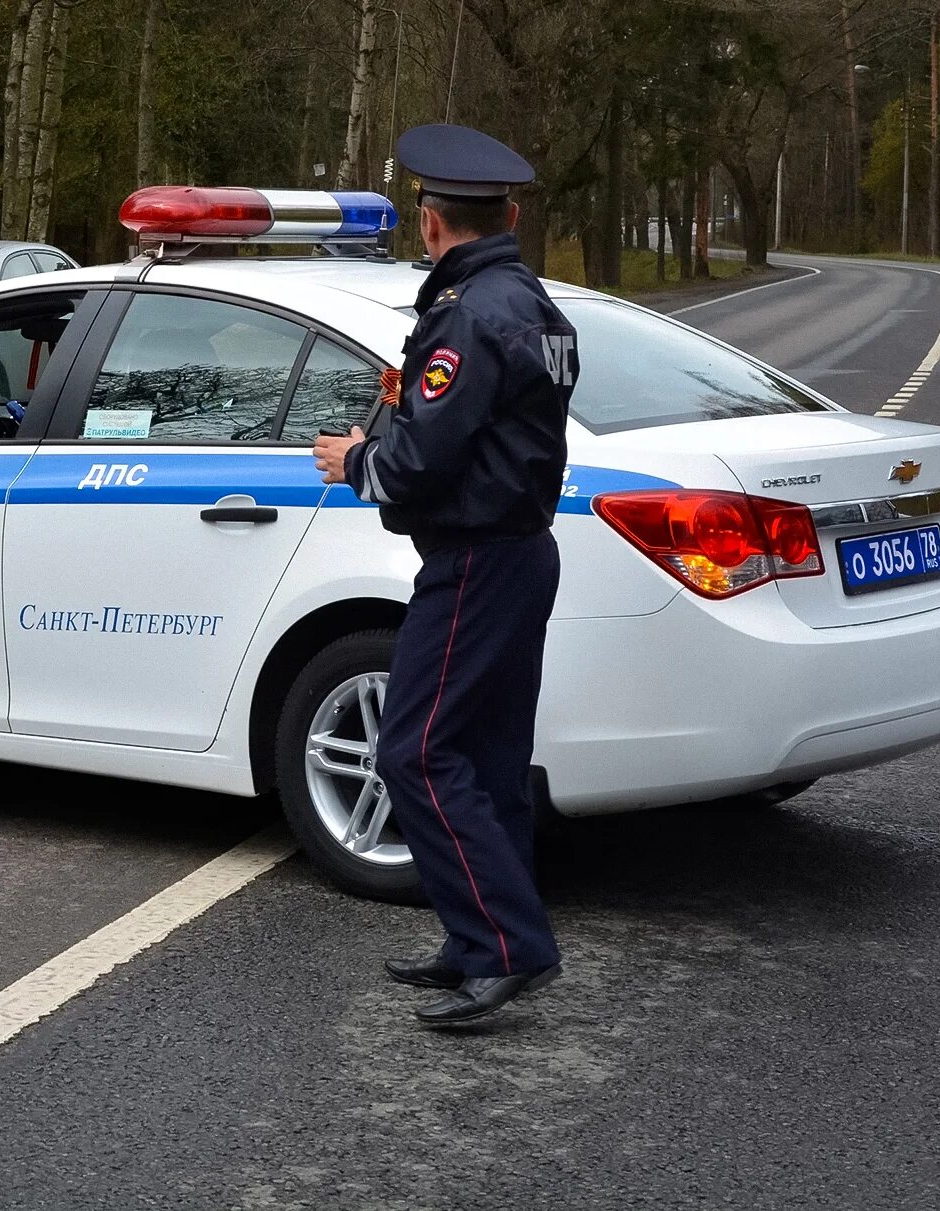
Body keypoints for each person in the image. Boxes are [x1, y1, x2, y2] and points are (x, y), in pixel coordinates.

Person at [313, 124, 579, 1027]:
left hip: (473, 558)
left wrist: (354, 458)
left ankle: (506, 946)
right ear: (504, 215)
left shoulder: (468, 315)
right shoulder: (533, 303)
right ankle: (476, 940)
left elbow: (423, 458)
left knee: (416, 750)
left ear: (431, 223)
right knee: (489, 757)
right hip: (519, 551)